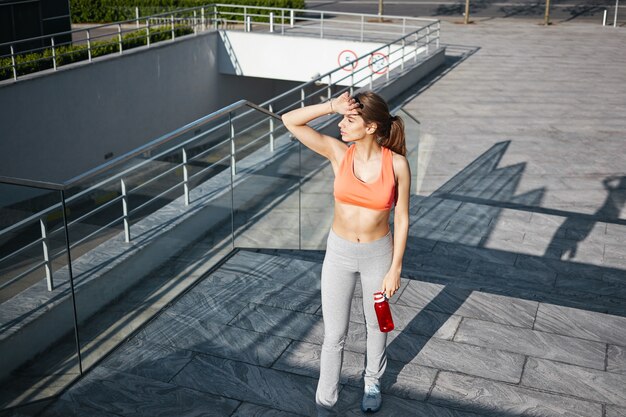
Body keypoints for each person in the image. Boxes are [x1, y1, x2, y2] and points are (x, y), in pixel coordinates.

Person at [282, 91, 411, 415]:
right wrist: (331, 106)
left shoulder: (396, 164)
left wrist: (395, 267)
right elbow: (289, 120)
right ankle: (326, 398)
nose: (340, 124)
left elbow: (403, 216)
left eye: (349, 119)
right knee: (334, 333)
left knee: (376, 325)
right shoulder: (339, 154)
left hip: (377, 255)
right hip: (338, 253)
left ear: (370, 127)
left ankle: (372, 382)